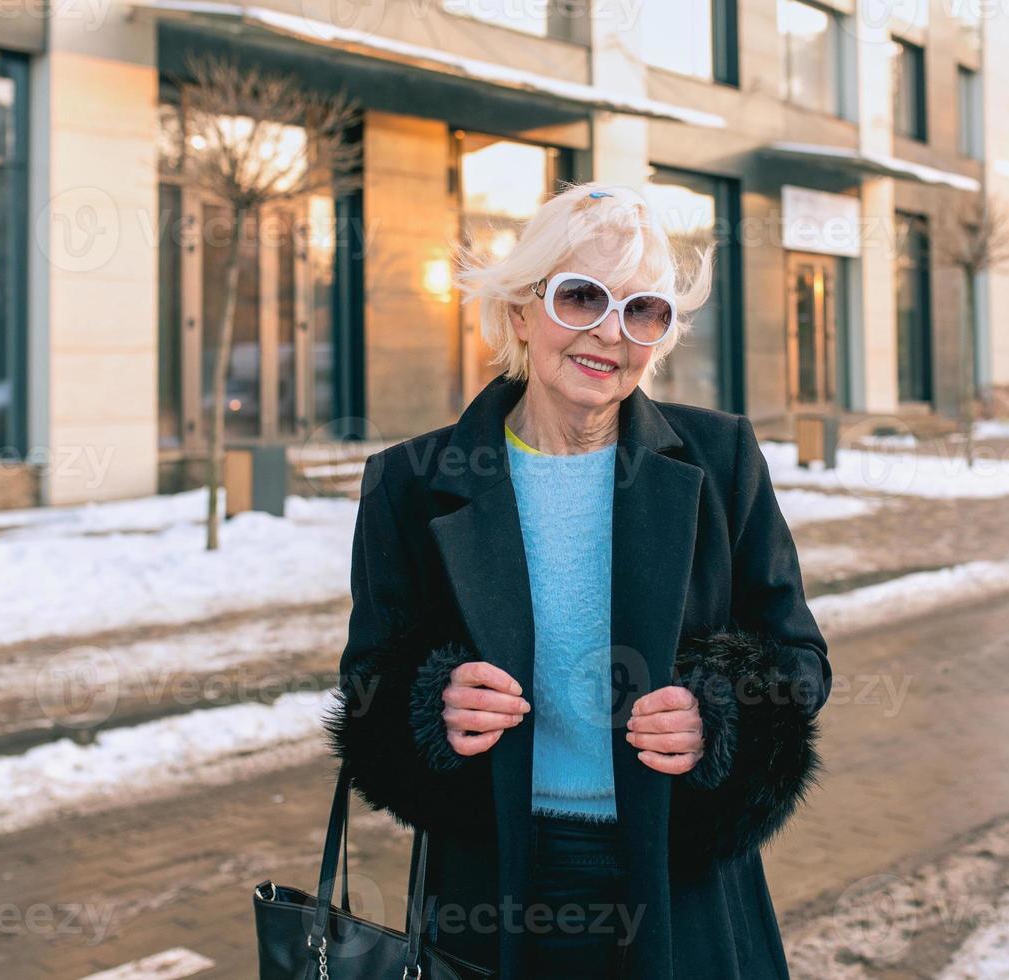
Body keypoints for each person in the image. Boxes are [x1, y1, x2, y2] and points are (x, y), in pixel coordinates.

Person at [323, 181, 832, 979]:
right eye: (582, 296)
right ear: (521, 312)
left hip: (683, 885)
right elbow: (367, 687)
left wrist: (721, 715)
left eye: (641, 309)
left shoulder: (720, 461)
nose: (610, 333)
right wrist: (432, 706)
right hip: (488, 890)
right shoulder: (412, 482)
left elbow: (798, 659)